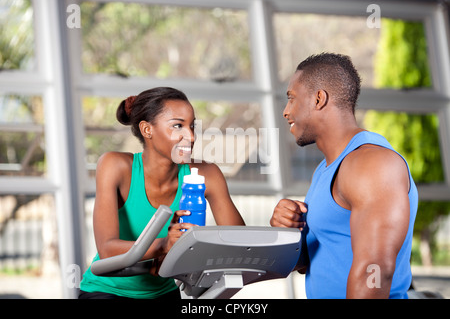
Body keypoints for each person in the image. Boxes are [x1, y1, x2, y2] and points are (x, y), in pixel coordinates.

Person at [270, 53, 418, 299]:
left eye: (291, 99)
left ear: (319, 99)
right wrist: (287, 230)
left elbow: (375, 272)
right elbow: (312, 262)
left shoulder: (372, 164)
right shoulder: (325, 170)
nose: (286, 112)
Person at [79, 87, 245, 299]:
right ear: (147, 130)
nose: (191, 136)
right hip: (107, 291)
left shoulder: (207, 174)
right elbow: (107, 249)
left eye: (192, 126)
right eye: (178, 126)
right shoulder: (115, 165)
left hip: (163, 292)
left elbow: (239, 244)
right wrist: (165, 244)